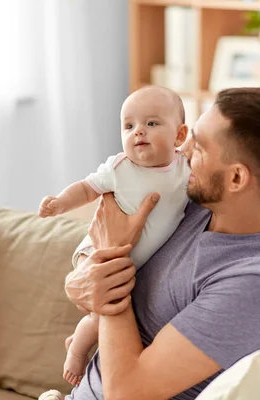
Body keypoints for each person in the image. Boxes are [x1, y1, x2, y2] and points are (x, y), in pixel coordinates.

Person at [62, 87, 260, 399]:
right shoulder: (188, 200)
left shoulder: (254, 283)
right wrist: (85, 275)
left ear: (236, 178)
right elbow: (87, 265)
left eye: (201, 148)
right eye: (191, 136)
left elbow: (126, 393)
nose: (183, 150)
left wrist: (111, 263)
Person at [38, 85, 191, 385]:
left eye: (152, 123)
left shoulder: (185, 169)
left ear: (180, 136)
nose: (139, 132)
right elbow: (86, 188)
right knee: (105, 298)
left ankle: (79, 341)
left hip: (128, 265)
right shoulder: (120, 168)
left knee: (113, 310)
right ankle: (78, 353)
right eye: (129, 125)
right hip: (96, 250)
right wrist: (60, 203)